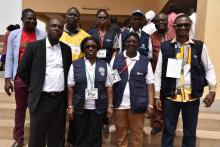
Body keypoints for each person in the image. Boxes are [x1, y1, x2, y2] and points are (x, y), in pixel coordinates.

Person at [154, 14, 217, 147]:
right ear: (174, 27)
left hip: (192, 97)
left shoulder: (199, 47)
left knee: (190, 131)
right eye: (180, 25)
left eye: (186, 25)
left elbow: (209, 68)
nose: (183, 27)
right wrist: (156, 95)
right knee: (169, 130)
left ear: (190, 26)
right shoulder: (165, 47)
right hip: (171, 96)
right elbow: (158, 72)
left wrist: (212, 91)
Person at [17, 18, 72, 147]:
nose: (57, 29)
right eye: (53, 26)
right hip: (40, 99)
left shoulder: (66, 49)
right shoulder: (34, 47)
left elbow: (68, 71)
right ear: (47, 28)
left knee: (57, 136)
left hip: (59, 101)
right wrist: (34, 85)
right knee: (37, 136)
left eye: (59, 27)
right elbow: (22, 70)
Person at [4, 9, 46, 147]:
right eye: (29, 18)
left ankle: (37, 138)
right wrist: (7, 79)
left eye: (34, 19)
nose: (32, 21)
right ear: (22, 19)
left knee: (37, 109)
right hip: (20, 77)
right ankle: (18, 139)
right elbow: (9, 56)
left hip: (37, 78)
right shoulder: (14, 35)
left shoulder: (42, 35)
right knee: (20, 108)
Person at [67, 36, 113, 147]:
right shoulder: (75, 65)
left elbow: (109, 87)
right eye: (87, 46)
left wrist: (110, 106)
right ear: (83, 49)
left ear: (97, 49)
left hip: (98, 107)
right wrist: (70, 106)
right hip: (80, 107)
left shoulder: (105, 65)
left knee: (96, 135)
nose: (90, 48)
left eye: (93, 46)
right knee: (80, 135)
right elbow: (70, 87)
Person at [112, 32, 154, 147]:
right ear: (124, 43)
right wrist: (109, 104)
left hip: (138, 104)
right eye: (128, 41)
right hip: (119, 104)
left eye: (134, 42)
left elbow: (150, 83)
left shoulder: (145, 61)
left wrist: (150, 104)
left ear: (139, 44)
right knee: (121, 134)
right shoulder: (116, 58)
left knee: (137, 134)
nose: (131, 44)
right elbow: (110, 82)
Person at [150, 13, 175, 135]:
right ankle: (158, 123)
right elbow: (150, 56)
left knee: (170, 98)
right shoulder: (151, 37)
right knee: (158, 97)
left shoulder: (174, 34)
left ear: (167, 21)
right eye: (158, 21)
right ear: (154, 23)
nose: (160, 22)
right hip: (157, 72)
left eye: (163, 20)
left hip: (173, 72)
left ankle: (169, 124)